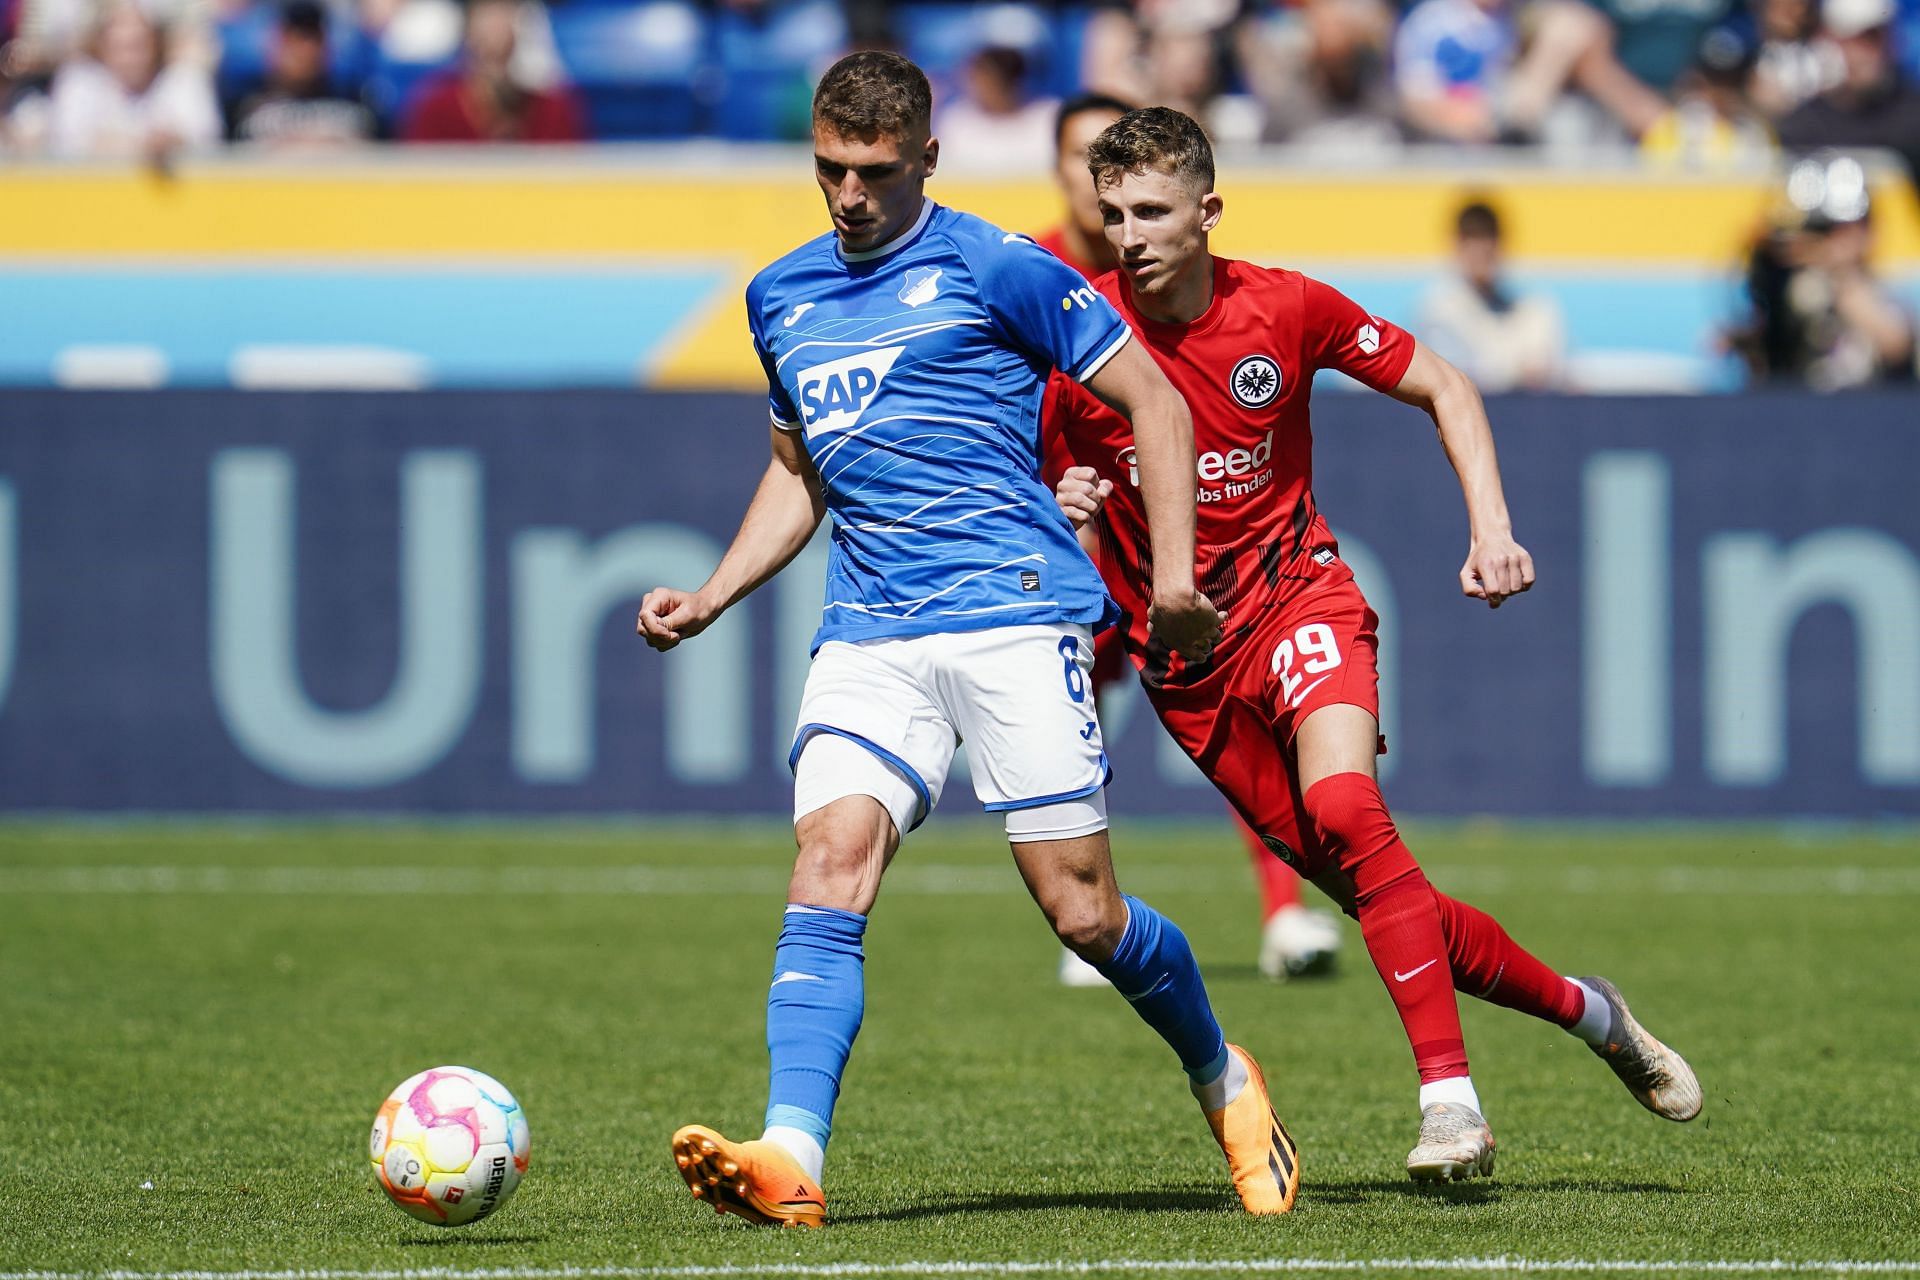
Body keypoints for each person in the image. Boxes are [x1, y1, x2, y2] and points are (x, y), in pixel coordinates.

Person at [638, 52, 1299, 1228]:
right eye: (830, 169)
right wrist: (715, 590)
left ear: (927, 160)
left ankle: (1223, 1074)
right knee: (829, 862)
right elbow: (799, 474)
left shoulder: (1000, 265)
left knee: (1085, 912)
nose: (848, 196)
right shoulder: (780, 296)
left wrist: (1181, 574)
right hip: (871, 632)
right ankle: (792, 1153)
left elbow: (1156, 399)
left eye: (874, 173)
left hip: (1012, 615)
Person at [1046, 106, 1703, 1180]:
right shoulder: (1077, 337)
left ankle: (1452, 1106)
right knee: (1389, 900)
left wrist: (1491, 527)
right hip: (1187, 675)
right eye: (1115, 212)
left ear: (1209, 210)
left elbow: (1445, 383)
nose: (1131, 233)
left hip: (1297, 598)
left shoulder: (1286, 306)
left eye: (1154, 210)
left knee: (1351, 809)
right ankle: (1592, 1013)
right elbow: (1028, 501)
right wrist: (1059, 500)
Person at [1037, 91, 1344, 985]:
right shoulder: (1038, 279)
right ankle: (1096, 915)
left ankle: (1285, 915)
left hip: (1204, 564)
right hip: (1090, 552)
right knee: (1075, 719)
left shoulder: (1216, 288)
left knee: (1252, 725)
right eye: (1077, 160)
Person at [1728, 151, 1916, 388]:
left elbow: (1895, 345)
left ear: (1862, 231)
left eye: (1828, 229)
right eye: (1813, 229)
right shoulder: (1794, 289)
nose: (1816, 240)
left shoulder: (1874, 296)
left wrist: (1838, 272)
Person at [1417, 199, 1566, 391]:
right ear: (1458, 244)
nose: (1482, 252)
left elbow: (1548, 371)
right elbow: (1450, 377)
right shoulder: (1435, 309)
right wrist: (1515, 370)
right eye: (1473, 240)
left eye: (1488, 239)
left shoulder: (1533, 309)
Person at [42, 2, 218, 161]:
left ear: (156, 43)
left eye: (138, 45)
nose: (129, 58)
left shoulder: (183, 80)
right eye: (119, 46)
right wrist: (139, 145)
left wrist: (174, 141)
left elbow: (206, 139)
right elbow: (66, 144)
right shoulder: (78, 82)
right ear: (101, 45)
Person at [399, 0, 584, 143]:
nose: (497, 33)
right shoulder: (436, 111)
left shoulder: (554, 112)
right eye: (487, 19)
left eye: (506, 15)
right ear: (468, 35)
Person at [227, 0, 375, 147]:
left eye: (313, 38)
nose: (304, 51)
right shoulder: (243, 105)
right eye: (294, 38)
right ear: (274, 43)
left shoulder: (356, 101)